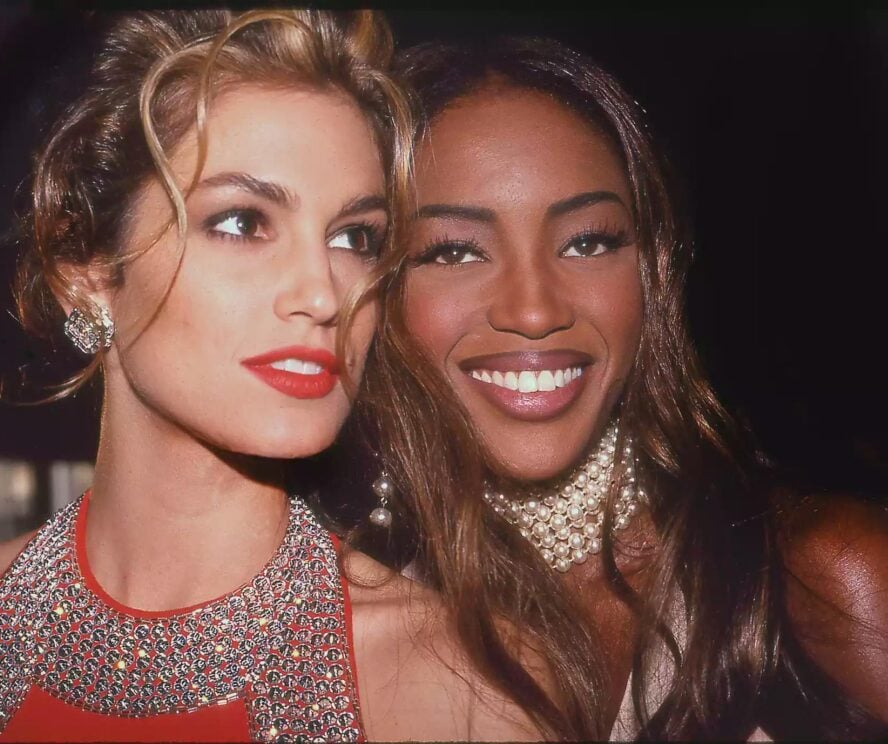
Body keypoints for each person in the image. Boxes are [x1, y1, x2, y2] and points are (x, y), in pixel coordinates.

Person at [0, 11, 532, 742]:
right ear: (88, 273)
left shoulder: (467, 691)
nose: (322, 294)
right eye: (244, 223)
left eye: (354, 238)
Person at [345, 36, 888, 740]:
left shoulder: (823, 571)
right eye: (453, 250)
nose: (535, 310)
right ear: (373, 294)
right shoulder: (334, 617)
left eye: (587, 241)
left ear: (652, 273)